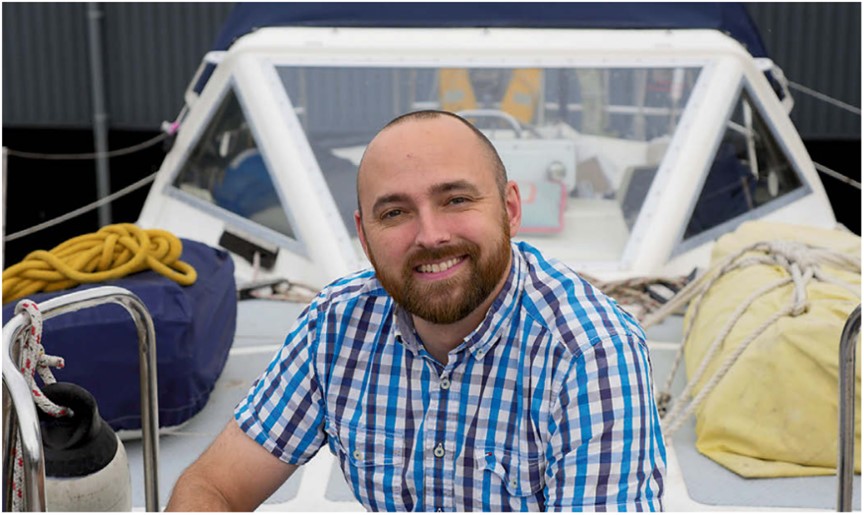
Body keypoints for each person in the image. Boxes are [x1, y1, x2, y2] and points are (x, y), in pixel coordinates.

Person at [166, 110, 667, 511]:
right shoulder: (335, 327)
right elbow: (215, 487)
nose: (430, 236)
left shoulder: (592, 354)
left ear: (510, 209)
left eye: (455, 199)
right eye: (396, 213)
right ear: (364, 236)